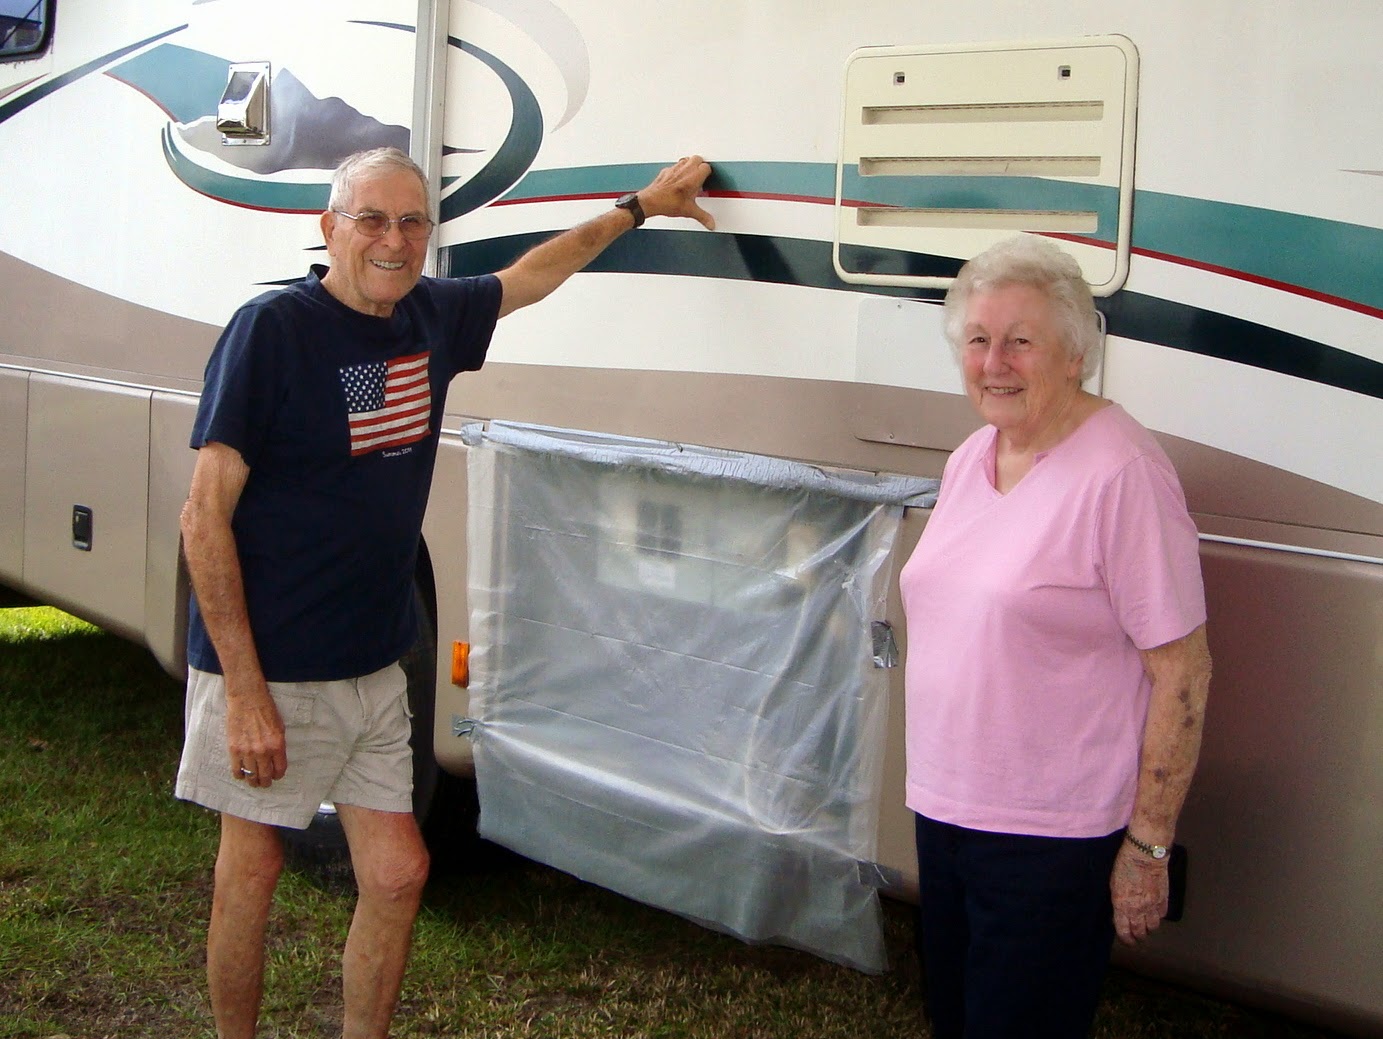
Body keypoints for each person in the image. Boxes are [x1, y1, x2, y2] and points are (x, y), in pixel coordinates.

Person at [175, 146, 716, 1039]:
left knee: (397, 872)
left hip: (374, 660)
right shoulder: (272, 330)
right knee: (254, 865)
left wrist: (640, 206)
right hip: (273, 664)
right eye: (371, 220)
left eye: (412, 222)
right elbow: (204, 517)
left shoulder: (430, 315)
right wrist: (243, 692)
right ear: (328, 228)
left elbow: (536, 271)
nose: (394, 240)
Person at [899, 235, 1213, 1039]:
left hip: (1049, 835)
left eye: (1020, 341)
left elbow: (1182, 671)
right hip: (946, 809)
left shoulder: (1121, 471)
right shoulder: (972, 456)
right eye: (977, 339)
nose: (993, 362)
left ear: (1075, 355)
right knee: (954, 1018)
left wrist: (1147, 845)